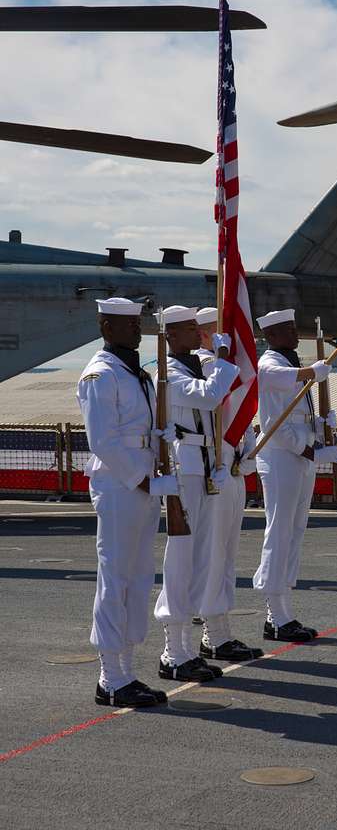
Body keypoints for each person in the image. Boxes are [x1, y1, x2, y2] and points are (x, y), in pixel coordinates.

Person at [77, 297, 176, 708]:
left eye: (138, 323)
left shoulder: (139, 374)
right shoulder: (100, 375)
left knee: (138, 576)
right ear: (105, 326)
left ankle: (127, 671)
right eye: (128, 324)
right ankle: (110, 678)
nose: (138, 330)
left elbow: (146, 428)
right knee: (115, 577)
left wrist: (160, 455)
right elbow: (102, 440)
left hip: (144, 479)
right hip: (119, 484)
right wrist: (139, 478)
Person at [153, 305, 242, 682]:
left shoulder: (194, 367)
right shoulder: (169, 372)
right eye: (190, 329)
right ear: (172, 335)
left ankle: (188, 649)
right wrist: (222, 358)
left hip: (204, 465)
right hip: (184, 468)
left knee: (202, 558)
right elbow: (209, 398)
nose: (199, 334)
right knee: (182, 559)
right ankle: (173, 650)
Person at [252, 308, 337, 642]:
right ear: (272, 335)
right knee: (279, 532)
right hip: (281, 458)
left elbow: (297, 416)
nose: (294, 334)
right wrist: (310, 451)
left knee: (294, 531)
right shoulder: (270, 364)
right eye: (288, 329)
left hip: (301, 456)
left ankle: (283, 609)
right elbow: (277, 423)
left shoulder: (289, 364)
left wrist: (320, 427)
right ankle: (275, 615)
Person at [191, 306, 263, 663]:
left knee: (228, 555)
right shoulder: (202, 368)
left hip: (232, 469)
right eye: (221, 333)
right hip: (211, 472)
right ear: (205, 335)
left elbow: (242, 416)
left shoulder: (226, 369)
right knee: (213, 556)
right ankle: (212, 634)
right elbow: (213, 397)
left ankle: (220, 633)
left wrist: (247, 452)